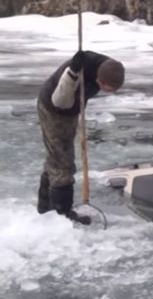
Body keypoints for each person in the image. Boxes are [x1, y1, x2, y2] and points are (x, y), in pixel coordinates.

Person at [37, 50, 125, 224]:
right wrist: (72, 74)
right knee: (62, 162)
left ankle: (45, 207)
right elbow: (60, 101)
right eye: (106, 88)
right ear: (99, 79)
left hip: (70, 112)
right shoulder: (76, 72)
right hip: (53, 109)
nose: (107, 92)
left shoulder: (111, 68)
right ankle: (62, 215)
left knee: (58, 156)